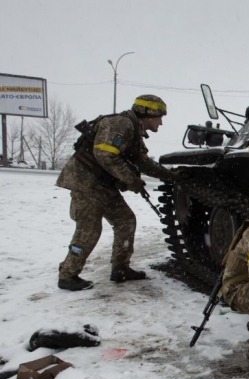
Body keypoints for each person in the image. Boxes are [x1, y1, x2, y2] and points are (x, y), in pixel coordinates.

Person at [56, 94, 177, 291]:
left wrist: (171, 176)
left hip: (103, 187)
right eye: (159, 117)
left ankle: (121, 268)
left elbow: (143, 162)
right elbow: (104, 155)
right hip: (87, 184)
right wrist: (131, 180)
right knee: (89, 230)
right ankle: (68, 275)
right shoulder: (121, 124)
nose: (161, 122)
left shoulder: (133, 131)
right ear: (148, 114)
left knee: (125, 221)